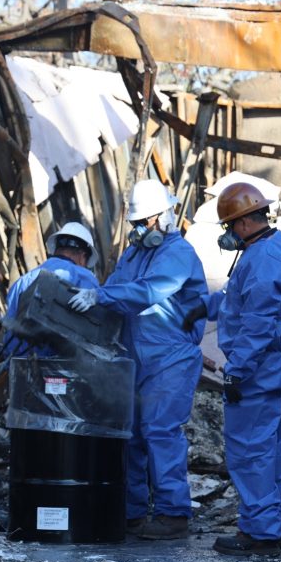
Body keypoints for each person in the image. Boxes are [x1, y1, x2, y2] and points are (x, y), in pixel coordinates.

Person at [68, 179, 207, 540]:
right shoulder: (134, 254)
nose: (139, 229)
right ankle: (130, 513)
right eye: (135, 223)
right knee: (130, 437)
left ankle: (173, 514)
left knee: (160, 432)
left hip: (170, 358)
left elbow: (147, 292)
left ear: (165, 217)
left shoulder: (178, 254)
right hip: (136, 358)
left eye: (144, 222)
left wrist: (100, 297)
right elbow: (115, 287)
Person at [184, 181, 281, 556]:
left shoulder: (262, 259)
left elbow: (256, 324)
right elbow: (239, 297)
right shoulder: (271, 248)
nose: (228, 235)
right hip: (278, 366)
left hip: (260, 369)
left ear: (240, 224)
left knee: (248, 453)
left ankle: (260, 532)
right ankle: (278, 521)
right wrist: (206, 306)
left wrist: (237, 371)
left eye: (227, 228)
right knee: (268, 449)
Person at [0, 221, 100, 357]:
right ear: (83, 256)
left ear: (57, 249)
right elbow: (95, 332)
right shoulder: (84, 277)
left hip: (17, 364)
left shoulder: (22, 281)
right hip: (58, 368)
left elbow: (10, 326)